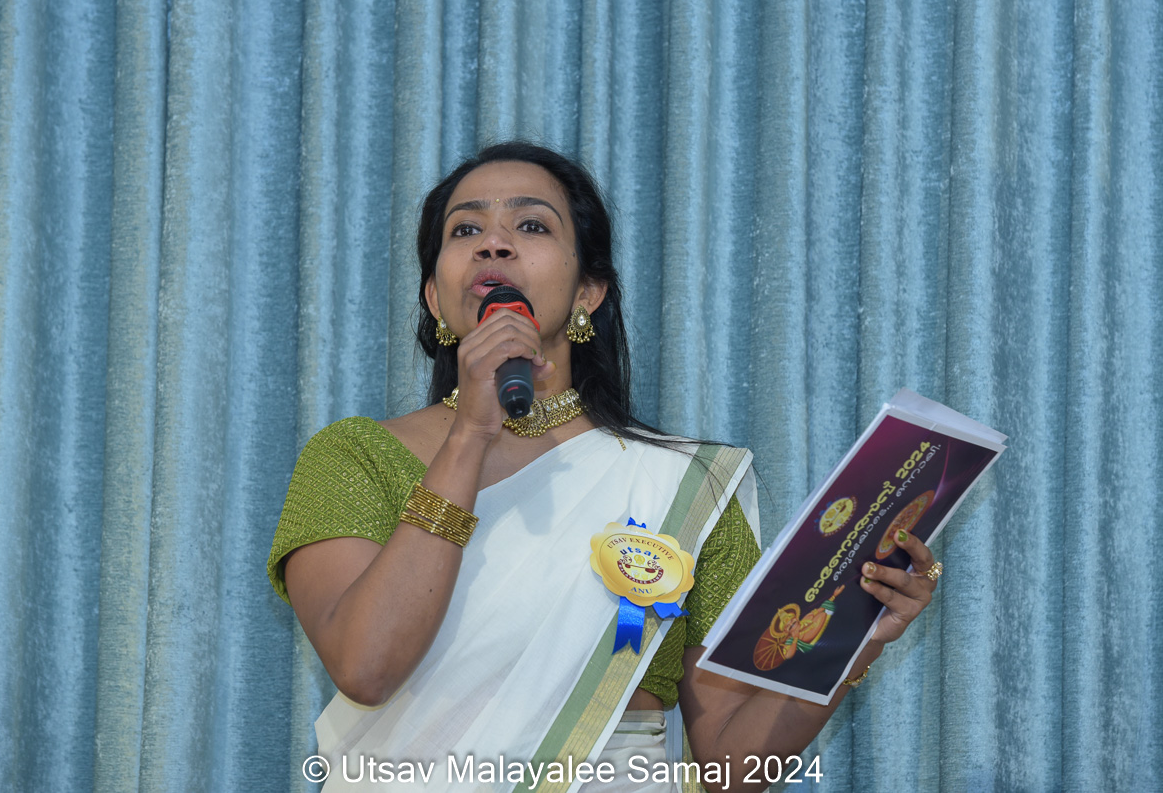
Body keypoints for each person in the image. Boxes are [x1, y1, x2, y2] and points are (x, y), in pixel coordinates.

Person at [267, 142, 940, 792]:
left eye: (531, 225)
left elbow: (729, 768)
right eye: (465, 229)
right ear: (436, 300)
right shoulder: (354, 456)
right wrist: (470, 433)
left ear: (588, 292)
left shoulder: (683, 485)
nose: (493, 244)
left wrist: (851, 640)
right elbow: (366, 667)